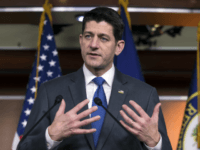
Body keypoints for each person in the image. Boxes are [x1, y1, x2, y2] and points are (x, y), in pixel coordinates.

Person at [18, 7, 172, 150]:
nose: (93, 44)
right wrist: (50, 136)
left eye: (103, 38)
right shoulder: (50, 91)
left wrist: (154, 143)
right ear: (81, 40)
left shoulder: (144, 94)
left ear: (119, 47)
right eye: (88, 36)